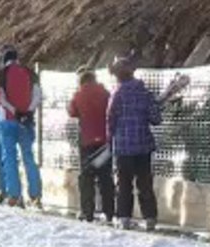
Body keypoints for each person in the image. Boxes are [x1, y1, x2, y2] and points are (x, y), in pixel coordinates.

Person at [107, 55, 161, 230]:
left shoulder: (116, 93)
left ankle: (124, 217)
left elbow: (110, 119)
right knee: (145, 184)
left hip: (123, 147)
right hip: (143, 145)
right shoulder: (145, 93)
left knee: (124, 184)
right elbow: (156, 119)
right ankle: (150, 218)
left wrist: (111, 137)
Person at [0, 44, 42, 207]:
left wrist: (14, 111)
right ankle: (35, 195)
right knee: (29, 156)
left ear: (2, 59)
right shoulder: (30, 73)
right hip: (26, 122)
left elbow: (0, 97)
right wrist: (28, 112)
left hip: (7, 120)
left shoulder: (1, 74)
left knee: (10, 158)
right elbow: (38, 94)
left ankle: (14, 195)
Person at [68, 67, 115, 223]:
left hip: (87, 142)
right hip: (104, 142)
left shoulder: (78, 94)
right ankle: (109, 212)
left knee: (86, 176)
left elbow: (71, 111)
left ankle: (87, 212)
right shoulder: (106, 93)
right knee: (105, 177)